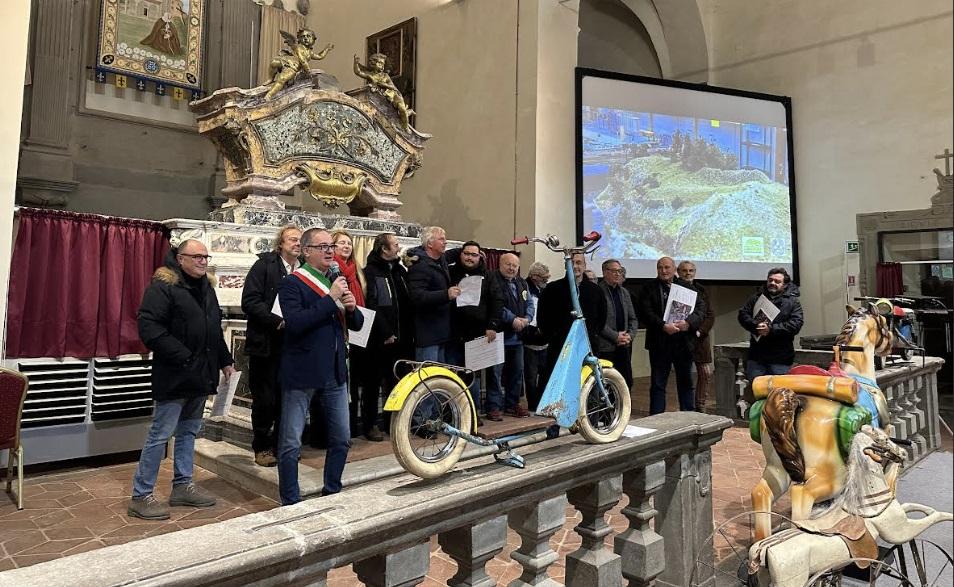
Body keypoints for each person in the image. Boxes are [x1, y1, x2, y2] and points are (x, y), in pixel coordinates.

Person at [129, 239, 235, 520]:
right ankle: (141, 495)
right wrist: (185, 357)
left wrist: (225, 360)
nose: (203, 261)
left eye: (205, 256)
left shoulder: (206, 288)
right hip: (175, 373)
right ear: (180, 258)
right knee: (160, 434)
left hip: (201, 374)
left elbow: (213, 329)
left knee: (188, 433)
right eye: (197, 256)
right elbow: (149, 328)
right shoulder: (163, 286)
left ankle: (182, 486)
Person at [276, 228, 363, 505]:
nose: (329, 251)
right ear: (306, 251)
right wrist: (331, 298)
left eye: (331, 247)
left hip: (335, 371)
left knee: (342, 438)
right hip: (302, 371)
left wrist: (351, 308)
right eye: (323, 246)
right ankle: (290, 500)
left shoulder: (335, 281)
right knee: (291, 443)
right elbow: (297, 323)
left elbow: (357, 325)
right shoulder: (293, 283)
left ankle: (332, 491)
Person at [241, 225, 301, 467]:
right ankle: (262, 446)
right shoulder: (264, 266)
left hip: (293, 345)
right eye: (292, 240)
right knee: (265, 400)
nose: (297, 243)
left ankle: (282, 444)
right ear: (281, 244)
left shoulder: (304, 270)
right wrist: (276, 320)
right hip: (266, 343)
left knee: (288, 398)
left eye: (300, 240)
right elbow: (250, 301)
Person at [536, 252, 607, 411]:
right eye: (572, 263)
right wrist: (554, 336)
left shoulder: (595, 291)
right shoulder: (552, 289)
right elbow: (543, 317)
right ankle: (554, 427)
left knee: (590, 386)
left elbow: (602, 317)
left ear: (585, 266)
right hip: (560, 348)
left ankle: (591, 423)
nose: (576, 266)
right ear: (566, 265)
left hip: (588, 348)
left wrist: (592, 335)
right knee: (558, 388)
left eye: (579, 263)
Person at [636, 256, 706, 415]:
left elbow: (701, 309)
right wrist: (662, 326)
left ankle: (688, 415)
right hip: (659, 342)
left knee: (686, 382)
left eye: (667, 267)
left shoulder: (687, 287)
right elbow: (645, 312)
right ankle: (656, 417)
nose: (663, 271)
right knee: (658, 383)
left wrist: (688, 323)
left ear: (674, 269)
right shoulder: (648, 288)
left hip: (683, 343)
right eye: (660, 267)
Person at [362, 232, 415, 440]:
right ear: (384, 249)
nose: (398, 247)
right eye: (395, 245)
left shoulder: (400, 271)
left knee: (397, 381)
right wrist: (386, 332)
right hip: (381, 338)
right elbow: (373, 304)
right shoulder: (372, 271)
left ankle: (392, 421)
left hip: (403, 337)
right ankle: (370, 424)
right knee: (373, 383)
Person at [446, 241, 503, 423]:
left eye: (474, 254)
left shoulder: (489, 275)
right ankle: (453, 414)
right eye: (466, 253)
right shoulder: (450, 271)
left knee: (473, 377)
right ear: (460, 254)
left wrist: (492, 325)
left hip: (477, 334)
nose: (470, 257)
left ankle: (472, 413)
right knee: (452, 375)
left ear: (480, 257)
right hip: (453, 333)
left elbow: (497, 301)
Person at [487, 252, 533, 419]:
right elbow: (494, 304)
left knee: (517, 373)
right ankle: (494, 407)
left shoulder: (522, 283)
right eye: (508, 264)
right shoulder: (492, 280)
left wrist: (527, 319)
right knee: (495, 375)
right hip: (498, 335)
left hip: (518, 338)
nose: (512, 268)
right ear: (500, 264)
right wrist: (512, 319)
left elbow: (529, 304)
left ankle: (512, 405)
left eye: (515, 266)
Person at [738, 267, 804, 380]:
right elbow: (743, 315)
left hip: (780, 359)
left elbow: (796, 324)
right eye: (770, 280)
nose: (773, 283)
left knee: (778, 394)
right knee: (756, 393)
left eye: (777, 281)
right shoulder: (756, 298)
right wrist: (755, 325)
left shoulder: (793, 302)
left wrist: (771, 329)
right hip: (756, 357)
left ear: (785, 284)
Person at [407, 226, 459, 363]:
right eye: (441, 239)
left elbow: (451, 255)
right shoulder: (419, 266)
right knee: (428, 378)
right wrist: (445, 294)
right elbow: (417, 296)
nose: (445, 242)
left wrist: (468, 248)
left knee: (439, 379)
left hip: (441, 331)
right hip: (428, 334)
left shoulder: (440, 260)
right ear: (430, 243)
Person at [677, 261, 715, 412]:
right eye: (684, 270)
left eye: (691, 270)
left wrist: (700, 331)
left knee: (705, 372)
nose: (688, 273)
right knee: (685, 375)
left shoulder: (701, 290)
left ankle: (701, 405)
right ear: (678, 272)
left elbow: (709, 314)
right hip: (681, 338)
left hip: (700, 337)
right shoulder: (675, 289)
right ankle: (687, 408)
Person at [595, 259, 638, 390]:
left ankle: (625, 409)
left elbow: (633, 319)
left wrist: (629, 335)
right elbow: (597, 321)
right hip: (605, 347)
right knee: (606, 384)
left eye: (619, 271)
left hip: (624, 346)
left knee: (625, 383)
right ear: (604, 272)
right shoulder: (597, 292)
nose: (618, 274)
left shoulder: (624, 293)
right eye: (614, 271)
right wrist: (615, 336)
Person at [353, 53, 415, 130]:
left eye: (383, 64)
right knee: (395, 116)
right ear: (374, 63)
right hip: (382, 97)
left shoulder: (385, 76)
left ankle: (405, 128)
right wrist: (355, 63)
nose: (382, 66)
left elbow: (393, 87)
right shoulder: (370, 75)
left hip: (394, 95)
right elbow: (358, 72)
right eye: (380, 63)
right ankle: (409, 112)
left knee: (402, 109)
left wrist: (383, 85)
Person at [522, 262, 550, 416]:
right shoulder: (525, 289)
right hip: (529, 339)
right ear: (534, 277)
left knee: (545, 374)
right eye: (543, 278)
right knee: (531, 377)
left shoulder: (544, 290)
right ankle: (533, 405)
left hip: (544, 339)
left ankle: (542, 403)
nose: (546, 281)